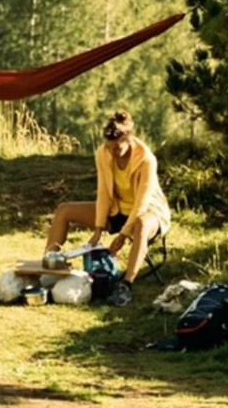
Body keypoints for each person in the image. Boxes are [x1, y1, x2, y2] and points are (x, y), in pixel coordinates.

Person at [43, 110, 171, 306]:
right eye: (108, 148)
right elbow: (103, 192)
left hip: (148, 212)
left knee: (141, 225)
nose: (112, 152)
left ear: (129, 140)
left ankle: (125, 285)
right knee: (64, 210)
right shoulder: (103, 153)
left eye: (117, 149)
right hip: (117, 210)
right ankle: (49, 269)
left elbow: (142, 203)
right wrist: (98, 229)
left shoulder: (146, 160)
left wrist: (123, 235)